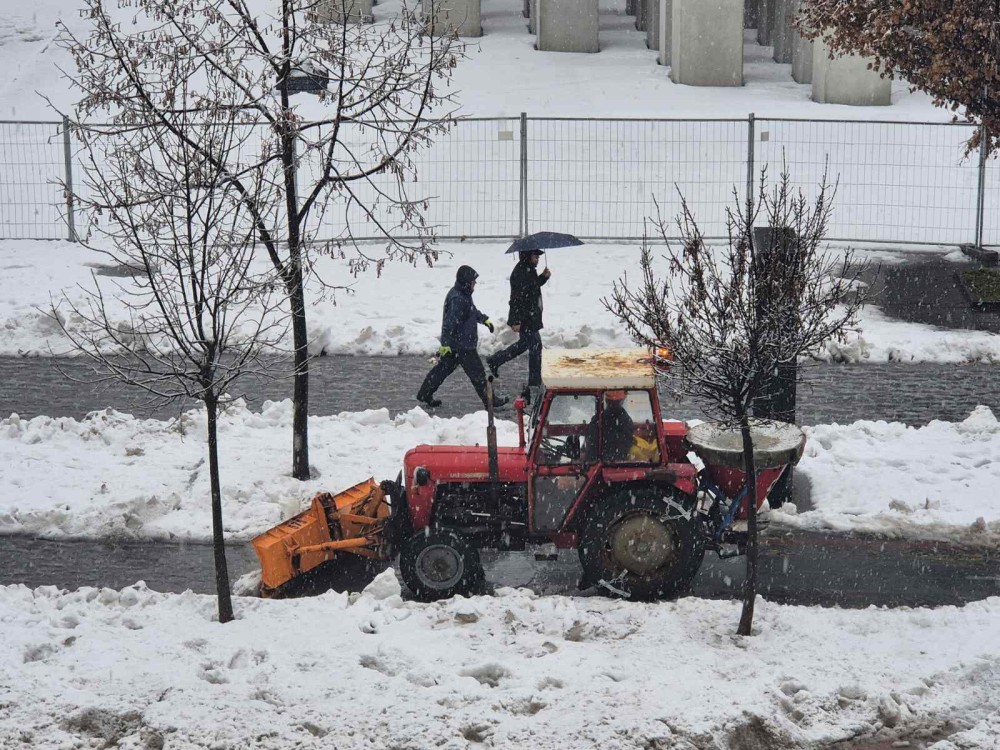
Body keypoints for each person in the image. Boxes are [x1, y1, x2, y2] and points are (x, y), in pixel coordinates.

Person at [417, 265, 509, 410]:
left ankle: (424, 393)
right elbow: (450, 323)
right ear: (466, 282)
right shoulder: (457, 298)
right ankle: (491, 401)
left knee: (442, 370)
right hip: (463, 345)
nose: (475, 284)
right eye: (473, 281)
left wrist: (484, 320)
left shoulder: (463, 295)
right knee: (478, 374)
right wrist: (445, 344)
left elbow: (471, 311)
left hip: (458, 344)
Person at [486, 250, 551, 388]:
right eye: (535, 256)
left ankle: (496, 360)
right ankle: (534, 383)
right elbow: (516, 299)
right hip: (526, 316)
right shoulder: (520, 273)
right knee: (535, 347)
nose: (538, 259)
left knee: (524, 344)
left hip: (530, 315)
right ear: (528, 256)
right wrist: (515, 320)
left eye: (538, 256)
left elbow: (532, 287)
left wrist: (543, 277)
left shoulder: (528, 269)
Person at [587, 391, 635, 463]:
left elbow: (592, 440)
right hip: (616, 463)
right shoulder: (625, 419)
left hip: (600, 461)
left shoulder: (598, 418)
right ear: (621, 401)